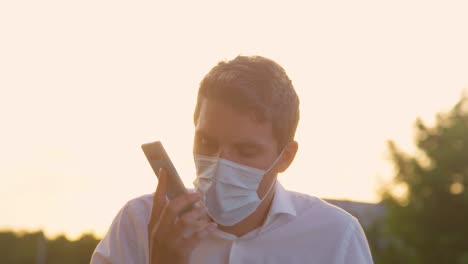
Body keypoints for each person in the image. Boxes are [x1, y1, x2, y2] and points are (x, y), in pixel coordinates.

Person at [90, 55, 374, 264]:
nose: (219, 164)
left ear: (285, 157)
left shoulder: (335, 237)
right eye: (207, 142)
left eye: (246, 151)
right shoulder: (137, 223)